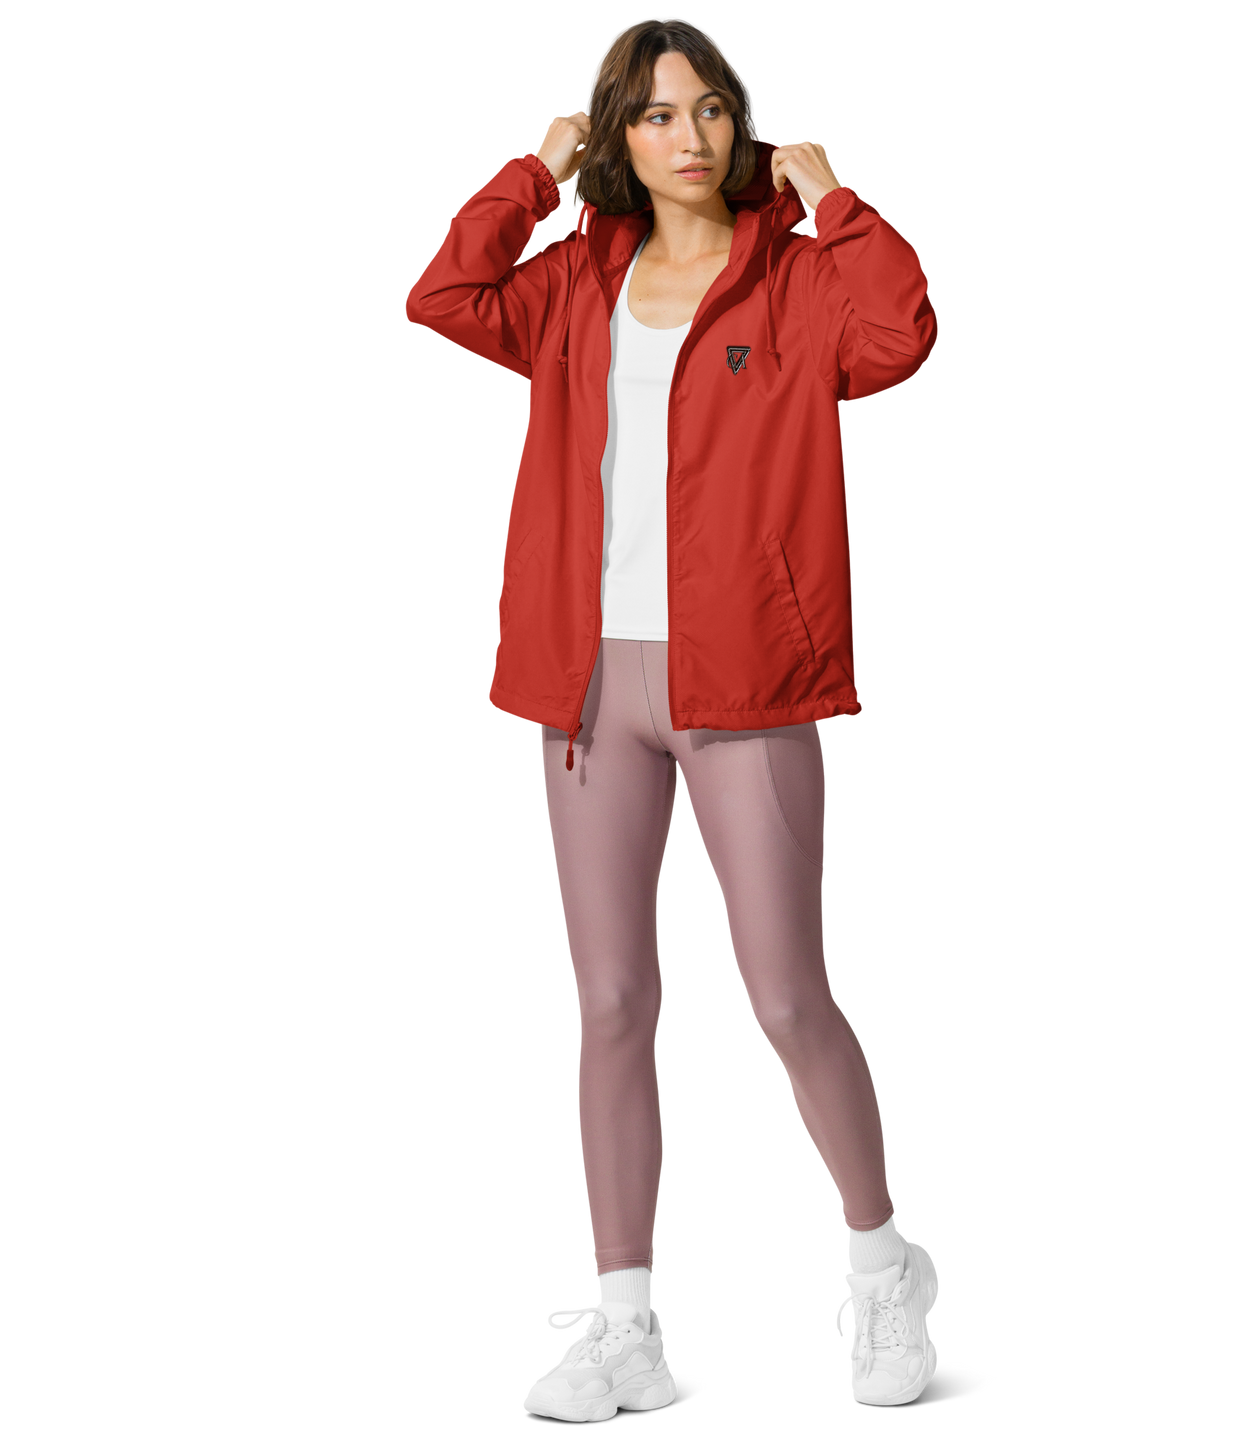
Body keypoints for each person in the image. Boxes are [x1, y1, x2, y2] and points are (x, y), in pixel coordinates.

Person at [403, 16, 940, 1420]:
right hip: (586, 685)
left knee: (785, 996)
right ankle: (629, 1319)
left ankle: (884, 1265)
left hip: (748, 682)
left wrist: (836, 200)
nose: (685, 136)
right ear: (617, 136)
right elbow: (443, 295)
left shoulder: (796, 274)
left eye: (706, 108)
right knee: (610, 1004)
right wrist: (532, 175)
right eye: (651, 115)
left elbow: (904, 334)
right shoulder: (575, 275)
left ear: (741, 120)